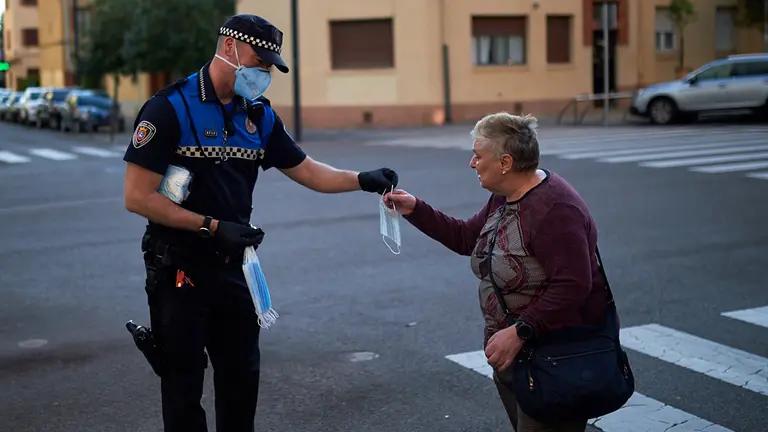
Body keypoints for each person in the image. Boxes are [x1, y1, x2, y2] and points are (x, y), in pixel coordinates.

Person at [122, 14, 398, 432]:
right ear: (229, 48)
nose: (264, 72)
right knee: (183, 387)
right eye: (259, 60)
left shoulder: (259, 117)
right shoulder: (169, 108)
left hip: (234, 266)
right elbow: (137, 197)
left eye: (270, 65)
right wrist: (212, 226)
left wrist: (362, 180)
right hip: (179, 267)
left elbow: (306, 170)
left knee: (240, 382)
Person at [384, 112, 608, 432]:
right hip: (518, 360)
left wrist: (519, 332)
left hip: (553, 361)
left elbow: (574, 285)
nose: (472, 163)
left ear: (505, 162)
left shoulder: (555, 210)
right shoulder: (506, 195)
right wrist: (415, 208)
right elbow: (467, 238)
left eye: (478, 156)